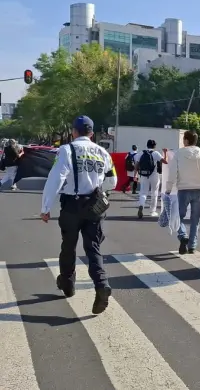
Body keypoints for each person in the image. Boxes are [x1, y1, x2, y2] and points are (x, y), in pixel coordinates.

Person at [40, 116, 117, 315]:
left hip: (72, 205)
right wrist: (98, 190)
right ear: (91, 133)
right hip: (94, 206)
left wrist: (46, 207)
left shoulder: (67, 150)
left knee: (68, 246)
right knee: (93, 248)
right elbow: (113, 182)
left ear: (74, 131)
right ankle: (102, 284)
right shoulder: (103, 152)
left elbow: (55, 179)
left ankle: (67, 283)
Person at [165, 130, 200, 254]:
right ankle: (192, 245)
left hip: (183, 190)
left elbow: (172, 173)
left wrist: (168, 189)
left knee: (178, 216)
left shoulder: (178, 154)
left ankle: (183, 236)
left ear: (186, 140)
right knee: (195, 220)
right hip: (198, 190)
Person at [135, 140, 167, 219]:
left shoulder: (141, 153)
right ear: (154, 146)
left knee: (143, 192)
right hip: (154, 175)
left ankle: (141, 205)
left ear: (147, 145)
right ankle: (152, 211)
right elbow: (165, 162)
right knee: (154, 193)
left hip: (143, 175)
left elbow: (136, 165)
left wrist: (135, 175)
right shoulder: (156, 153)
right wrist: (165, 153)